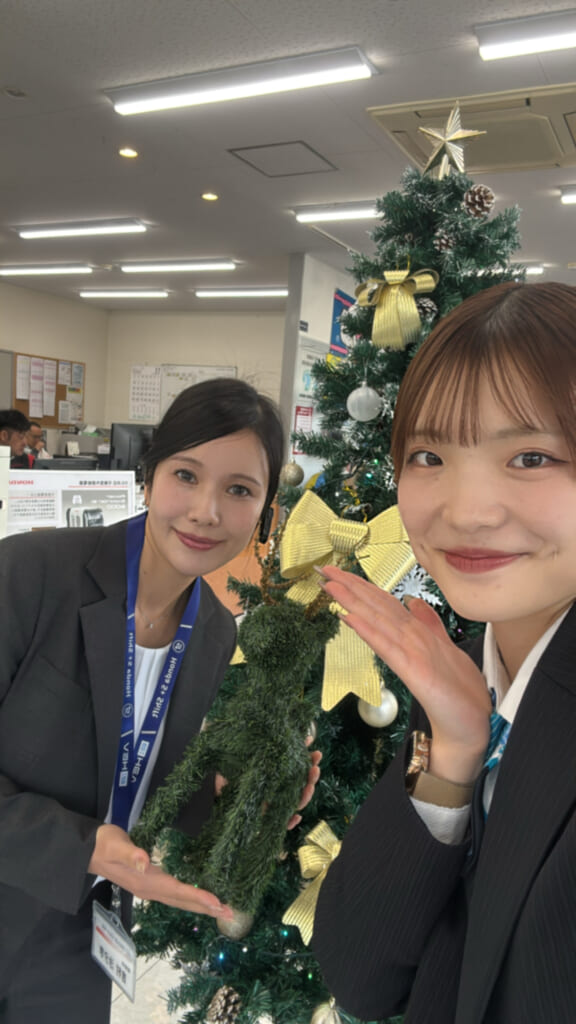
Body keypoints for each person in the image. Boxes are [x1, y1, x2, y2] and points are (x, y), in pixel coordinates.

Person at [0, 378, 319, 1024]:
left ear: (267, 512)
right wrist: (84, 846)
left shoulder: (213, 632)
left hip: (77, 931)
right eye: (186, 475)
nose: (206, 511)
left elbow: (135, 769)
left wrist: (224, 796)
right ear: (148, 476)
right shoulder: (30, 574)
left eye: (239, 490)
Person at [312, 281, 576, 1024]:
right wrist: (452, 757)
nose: (465, 512)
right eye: (428, 455)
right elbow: (361, 977)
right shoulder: (465, 672)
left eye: (531, 456)